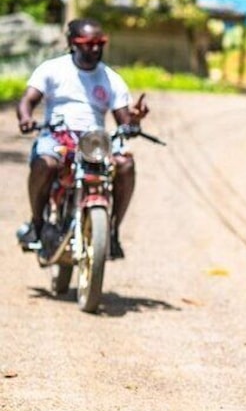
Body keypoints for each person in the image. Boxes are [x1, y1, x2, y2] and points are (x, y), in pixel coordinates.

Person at [16, 17, 149, 260]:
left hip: (94, 140)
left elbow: (124, 122)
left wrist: (135, 121)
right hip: (57, 134)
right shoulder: (52, 69)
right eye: (88, 43)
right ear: (72, 43)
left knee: (126, 164)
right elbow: (28, 100)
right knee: (45, 163)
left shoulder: (111, 79)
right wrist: (25, 117)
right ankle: (37, 224)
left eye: (100, 43)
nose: (95, 48)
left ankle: (112, 232)